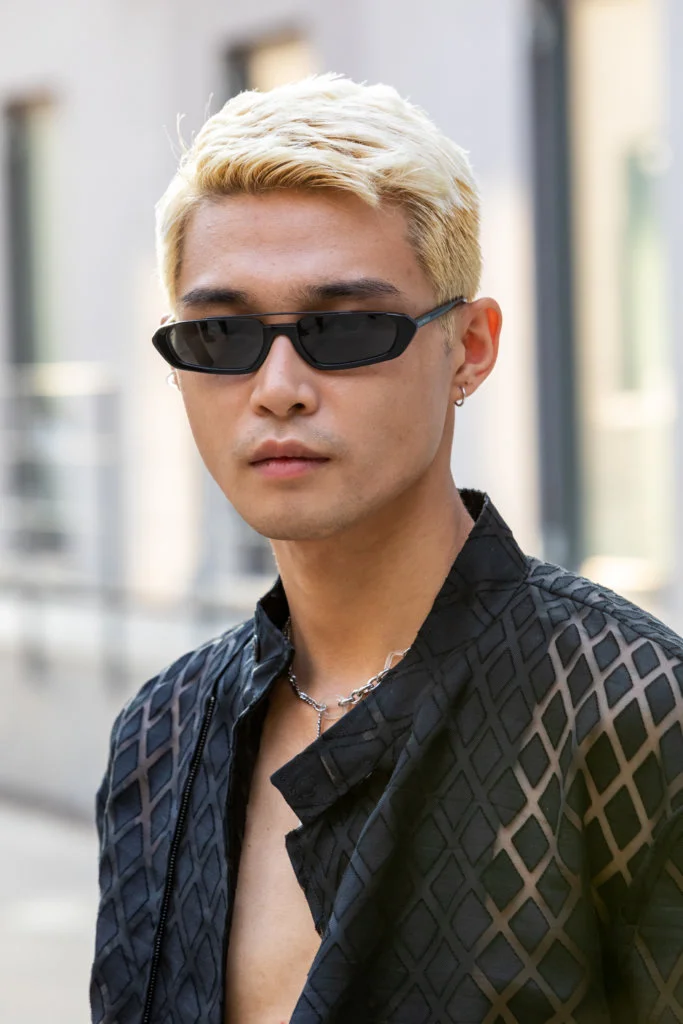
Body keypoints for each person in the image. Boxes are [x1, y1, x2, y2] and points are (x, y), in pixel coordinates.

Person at [90, 74, 683, 1024]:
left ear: (469, 348)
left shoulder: (636, 715)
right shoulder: (157, 736)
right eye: (222, 333)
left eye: (343, 327)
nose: (277, 386)